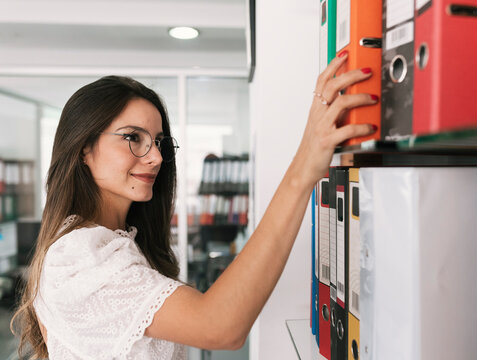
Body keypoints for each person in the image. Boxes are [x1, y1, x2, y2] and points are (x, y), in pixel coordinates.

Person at [11, 52, 376, 359]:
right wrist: (303, 169)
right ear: (84, 149)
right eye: (132, 138)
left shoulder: (115, 242)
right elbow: (220, 327)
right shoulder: (81, 256)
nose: (154, 157)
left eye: (158, 142)